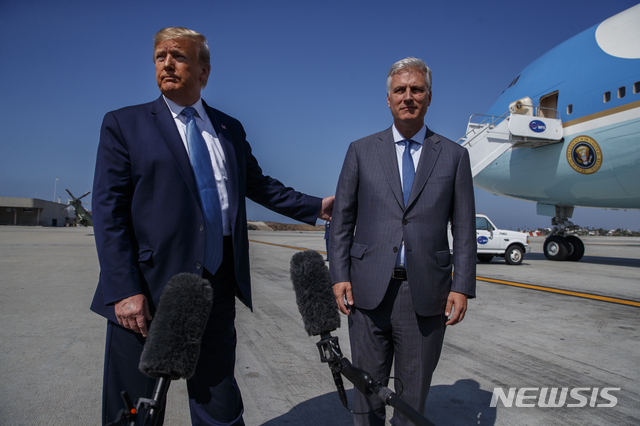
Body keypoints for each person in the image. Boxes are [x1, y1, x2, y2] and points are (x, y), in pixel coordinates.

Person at [90, 27, 333, 426]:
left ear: (203, 70)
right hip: (148, 289)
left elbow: (257, 184)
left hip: (216, 286)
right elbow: (108, 213)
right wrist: (124, 289)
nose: (166, 63)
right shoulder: (124, 124)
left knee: (219, 401)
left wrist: (316, 206)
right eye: (159, 56)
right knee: (135, 408)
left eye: (179, 56)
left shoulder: (228, 128)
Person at [329, 57, 476, 426]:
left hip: (425, 295)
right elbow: (342, 221)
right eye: (400, 90)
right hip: (366, 291)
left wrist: (462, 286)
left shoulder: (455, 157)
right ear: (389, 99)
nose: (408, 97)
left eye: (416, 89)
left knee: (412, 402)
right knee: (365, 395)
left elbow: (464, 228)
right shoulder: (361, 151)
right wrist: (339, 275)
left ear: (429, 97)